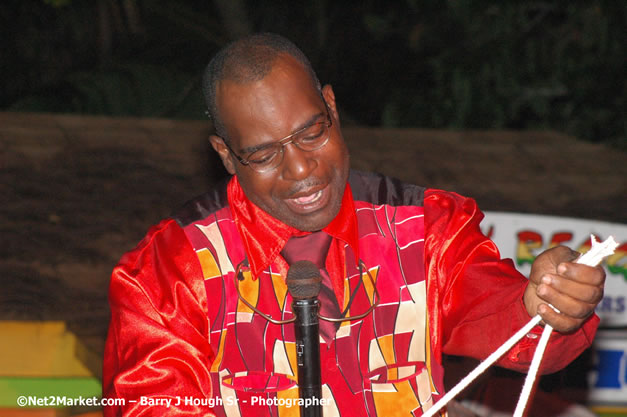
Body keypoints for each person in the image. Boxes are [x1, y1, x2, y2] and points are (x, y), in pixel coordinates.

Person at [103, 33, 605, 416]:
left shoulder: (423, 228)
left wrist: (549, 306)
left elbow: (505, 317)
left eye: (311, 132)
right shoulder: (170, 270)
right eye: (262, 154)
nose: (300, 169)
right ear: (226, 156)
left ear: (333, 108)